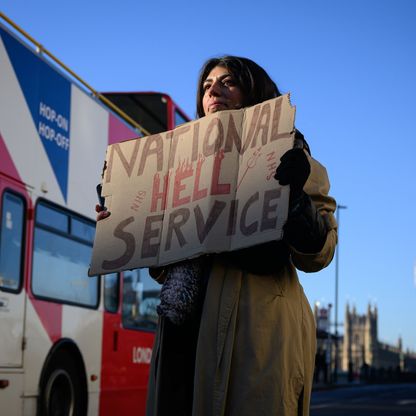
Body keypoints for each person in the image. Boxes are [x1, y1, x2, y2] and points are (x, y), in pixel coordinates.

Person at [97, 56, 337, 416]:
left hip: (255, 335)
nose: (214, 91)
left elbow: (319, 253)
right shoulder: (177, 168)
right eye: (207, 86)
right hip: (184, 336)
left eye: (228, 82)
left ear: (254, 93)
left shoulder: (294, 155)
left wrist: (296, 199)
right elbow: (163, 263)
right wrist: (123, 213)